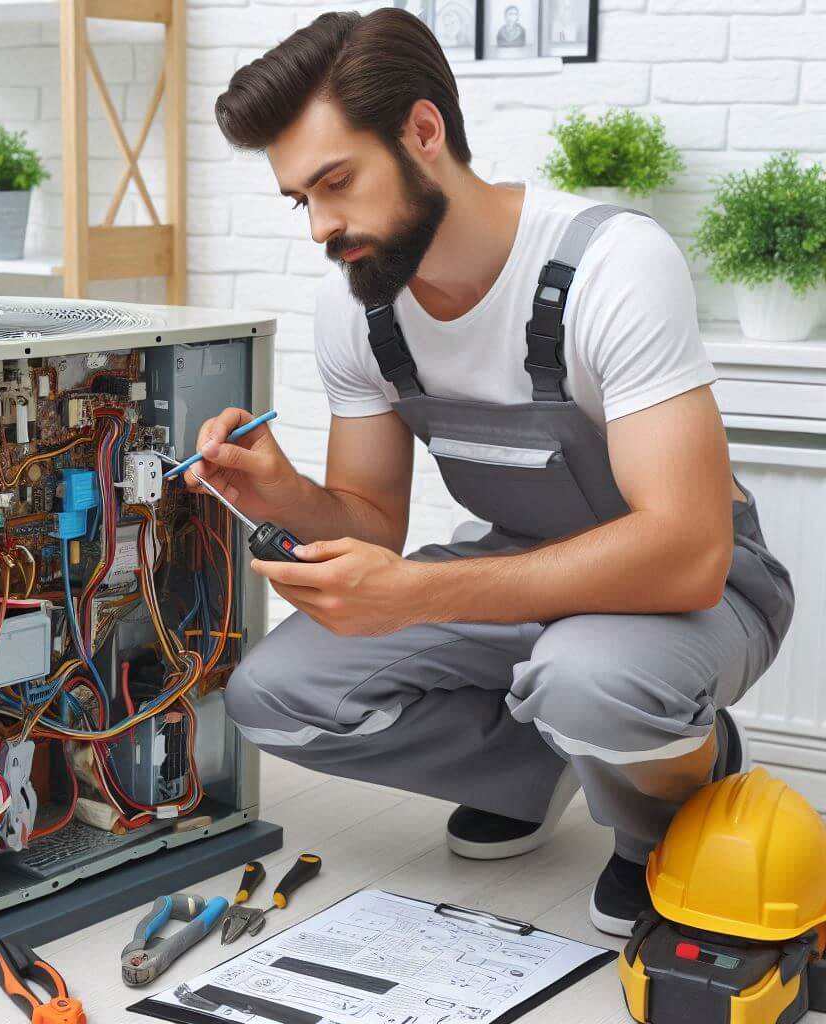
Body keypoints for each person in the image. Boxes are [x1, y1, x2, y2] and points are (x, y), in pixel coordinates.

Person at [188, 8, 795, 937]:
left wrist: (421, 598)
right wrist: (278, 492)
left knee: (588, 677)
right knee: (275, 697)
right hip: (516, 574)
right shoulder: (360, 304)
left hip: (694, 591)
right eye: (298, 199)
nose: (319, 225)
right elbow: (373, 527)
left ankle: (667, 812)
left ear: (424, 132)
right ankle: (547, 765)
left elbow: (687, 551)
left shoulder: (608, 264)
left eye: (336, 182)